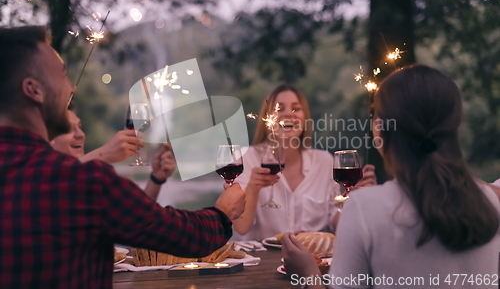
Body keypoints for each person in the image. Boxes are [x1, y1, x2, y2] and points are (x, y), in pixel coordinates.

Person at [0, 25, 246, 289]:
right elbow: (177, 234)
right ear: (33, 90)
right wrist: (223, 213)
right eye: (62, 75)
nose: (71, 86)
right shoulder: (84, 183)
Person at [282, 65, 500, 289]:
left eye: (376, 112)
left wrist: (308, 274)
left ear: (381, 129)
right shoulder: (489, 202)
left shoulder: (364, 209)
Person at [233, 84, 376, 241]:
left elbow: (337, 223)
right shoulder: (246, 158)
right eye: (280, 109)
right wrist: (253, 188)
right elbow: (241, 228)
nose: (289, 114)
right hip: (262, 262)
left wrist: (357, 200)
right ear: (268, 117)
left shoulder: (324, 162)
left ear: (305, 117)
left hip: (313, 260)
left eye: (296, 108)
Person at [52, 108, 175, 200]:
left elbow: (136, 219)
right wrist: (103, 154)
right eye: (68, 129)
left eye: (79, 126)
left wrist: (156, 178)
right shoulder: (40, 188)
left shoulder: (94, 180)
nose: (81, 134)